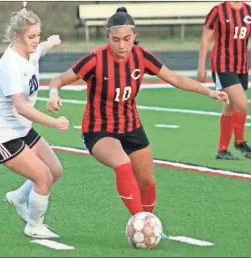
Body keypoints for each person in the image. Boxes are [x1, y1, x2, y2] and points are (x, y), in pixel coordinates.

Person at [46, 7, 229, 216]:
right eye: (115, 40)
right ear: (108, 37)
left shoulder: (142, 57)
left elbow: (175, 78)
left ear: (135, 36)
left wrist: (208, 92)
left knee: (147, 181)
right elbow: (58, 80)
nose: (122, 45)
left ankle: (148, 222)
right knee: (123, 165)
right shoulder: (95, 59)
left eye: (127, 38)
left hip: (131, 126)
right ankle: (140, 220)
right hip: (99, 130)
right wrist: (53, 93)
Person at [0, 3, 69, 239]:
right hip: (1, 135)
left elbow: (42, 49)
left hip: (20, 129)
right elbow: (21, 107)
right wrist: (53, 123)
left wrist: (51, 42)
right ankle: (34, 226)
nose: (35, 40)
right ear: (17, 36)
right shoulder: (10, 65)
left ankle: (19, 198)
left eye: (37, 35)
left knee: (55, 170)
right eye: (31, 36)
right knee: (43, 177)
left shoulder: (30, 51)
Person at [198, 1, 251, 160]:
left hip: (242, 65)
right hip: (223, 65)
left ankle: (222, 150)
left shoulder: (248, 11)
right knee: (242, 104)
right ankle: (240, 142)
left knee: (229, 105)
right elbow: (205, 40)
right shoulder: (218, 11)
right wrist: (201, 67)